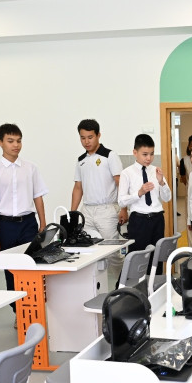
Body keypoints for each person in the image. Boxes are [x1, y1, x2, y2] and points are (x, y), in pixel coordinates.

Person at [0, 123, 48, 322]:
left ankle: (34, 310)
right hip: (6, 226)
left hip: (28, 223)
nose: (16, 145)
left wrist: (43, 223)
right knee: (11, 270)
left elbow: (38, 196)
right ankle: (18, 312)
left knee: (32, 267)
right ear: (0, 142)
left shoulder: (31, 168)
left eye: (19, 141)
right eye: (10, 141)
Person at [70, 119, 127, 284]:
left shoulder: (110, 156)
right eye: (83, 138)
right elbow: (78, 188)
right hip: (87, 211)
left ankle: (123, 285)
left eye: (90, 137)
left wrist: (124, 208)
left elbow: (120, 183)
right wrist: (73, 213)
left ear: (98, 135)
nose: (86, 142)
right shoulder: (81, 160)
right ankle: (94, 286)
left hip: (107, 210)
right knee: (88, 250)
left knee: (112, 253)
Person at [118, 134, 172, 261]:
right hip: (139, 221)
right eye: (145, 154)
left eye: (152, 154)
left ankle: (156, 275)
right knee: (138, 258)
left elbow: (167, 198)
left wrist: (161, 182)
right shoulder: (127, 173)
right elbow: (121, 201)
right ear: (135, 153)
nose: (149, 158)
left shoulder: (156, 171)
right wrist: (139, 193)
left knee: (157, 258)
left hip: (157, 219)